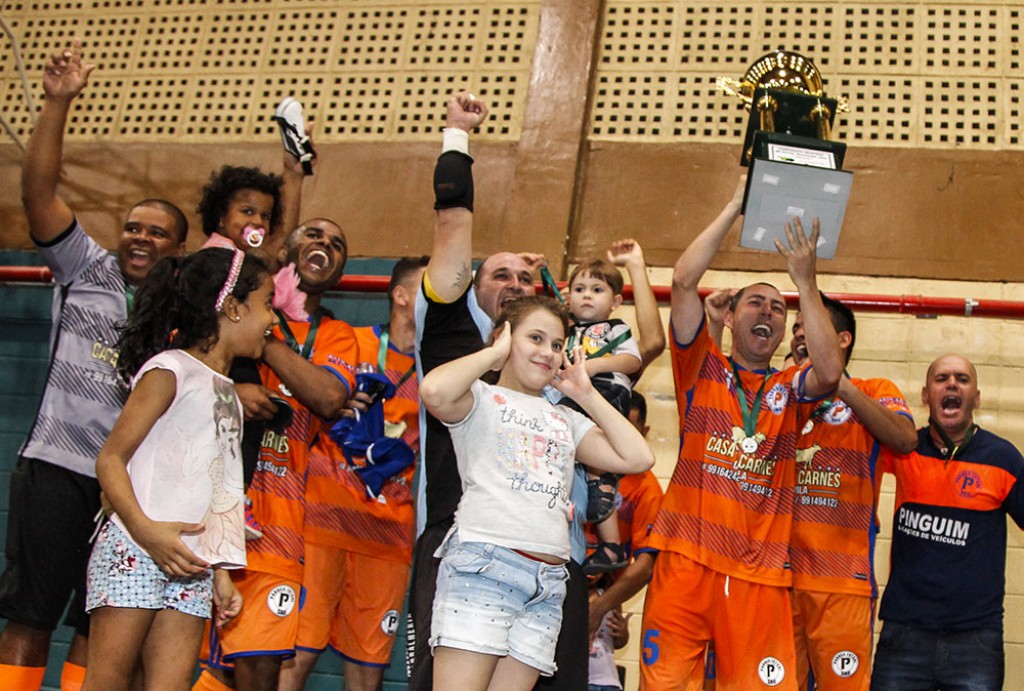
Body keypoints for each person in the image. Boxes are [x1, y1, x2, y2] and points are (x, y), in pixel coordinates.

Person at [0, 39, 187, 691]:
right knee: (28, 616)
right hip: (55, 467)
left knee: (97, 621)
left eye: (156, 231)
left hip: (126, 493)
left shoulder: (184, 312)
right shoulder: (85, 267)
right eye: (132, 226)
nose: (139, 236)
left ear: (177, 248)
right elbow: (39, 190)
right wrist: (58, 103)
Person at [639, 178, 843, 690]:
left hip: (760, 577)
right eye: (755, 303)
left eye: (778, 309)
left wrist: (806, 280)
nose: (768, 313)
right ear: (729, 317)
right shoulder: (700, 369)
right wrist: (735, 206)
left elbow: (830, 369)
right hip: (685, 563)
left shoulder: (790, 388)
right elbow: (684, 281)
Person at [419, 295, 655, 691]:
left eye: (558, 344)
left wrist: (586, 394)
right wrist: (493, 353)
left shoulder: (565, 418)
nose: (548, 352)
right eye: (536, 338)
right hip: (485, 567)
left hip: (546, 583)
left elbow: (638, 457)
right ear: (505, 338)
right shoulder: (480, 397)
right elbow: (434, 390)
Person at [81, 247, 273, 690]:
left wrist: (221, 571)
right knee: (107, 681)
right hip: (137, 549)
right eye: (266, 305)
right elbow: (110, 459)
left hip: (191, 562)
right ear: (232, 307)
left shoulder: (229, 394)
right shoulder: (169, 371)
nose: (271, 320)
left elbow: (219, 492)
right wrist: (146, 532)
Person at [406, 91, 544, 690]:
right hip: (452, 544)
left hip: (534, 561)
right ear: (473, 286)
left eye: (525, 276)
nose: (513, 283)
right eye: (499, 274)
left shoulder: (549, 358)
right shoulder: (450, 330)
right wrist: (457, 137)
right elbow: (452, 222)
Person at [709, 293, 917, 690]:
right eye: (798, 329)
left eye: (810, 329)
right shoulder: (782, 393)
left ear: (841, 340)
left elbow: (906, 440)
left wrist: (842, 387)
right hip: (774, 580)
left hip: (840, 582)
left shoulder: (874, 388)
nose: (800, 336)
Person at [195, 219, 356, 691]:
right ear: (284, 248)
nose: (324, 245)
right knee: (189, 656)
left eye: (337, 243)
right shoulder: (226, 306)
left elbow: (327, 396)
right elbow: (179, 374)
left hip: (279, 525)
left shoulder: (337, 335)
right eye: (313, 235)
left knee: (259, 664)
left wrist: (261, 338)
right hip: (207, 509)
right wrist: (234, 391)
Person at [277, 255, 427, 691]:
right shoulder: (348, 341)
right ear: (400, 295)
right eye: (430, 288)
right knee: (295, 657)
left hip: (386, 536)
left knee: (368, 672)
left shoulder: (439, 370)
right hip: (322, 523)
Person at [871, 353, 1024, 691]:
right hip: (904, 635)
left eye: (962, 379)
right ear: (926, 395)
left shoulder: (1003, 458)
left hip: (976, 640)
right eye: (941, 379)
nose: (952, 384)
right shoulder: (904, 449)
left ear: (976, 397)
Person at [557, 249, 642, 576]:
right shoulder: (566, 331)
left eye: (597, 289)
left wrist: (595, 366)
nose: (587, 296)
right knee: (588, 464)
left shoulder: (614, 328)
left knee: (596, 455)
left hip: (607, 390)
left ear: (616, 301)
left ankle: (601, 485)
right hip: (576, 391)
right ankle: (610, 545)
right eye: (579, 290)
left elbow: (632, 361)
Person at [586, 392, 664, 644]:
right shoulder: (583, 459)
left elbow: (645, 566)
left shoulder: (647, 489)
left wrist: (600, 607)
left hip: (602, 593)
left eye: (629, 430)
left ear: (645, 432)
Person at [588, 573, 630, 691]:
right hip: (577, 679)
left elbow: (617, 643)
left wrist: (622, 633)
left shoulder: (610, 598)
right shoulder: (568, 596)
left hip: (607, 679)